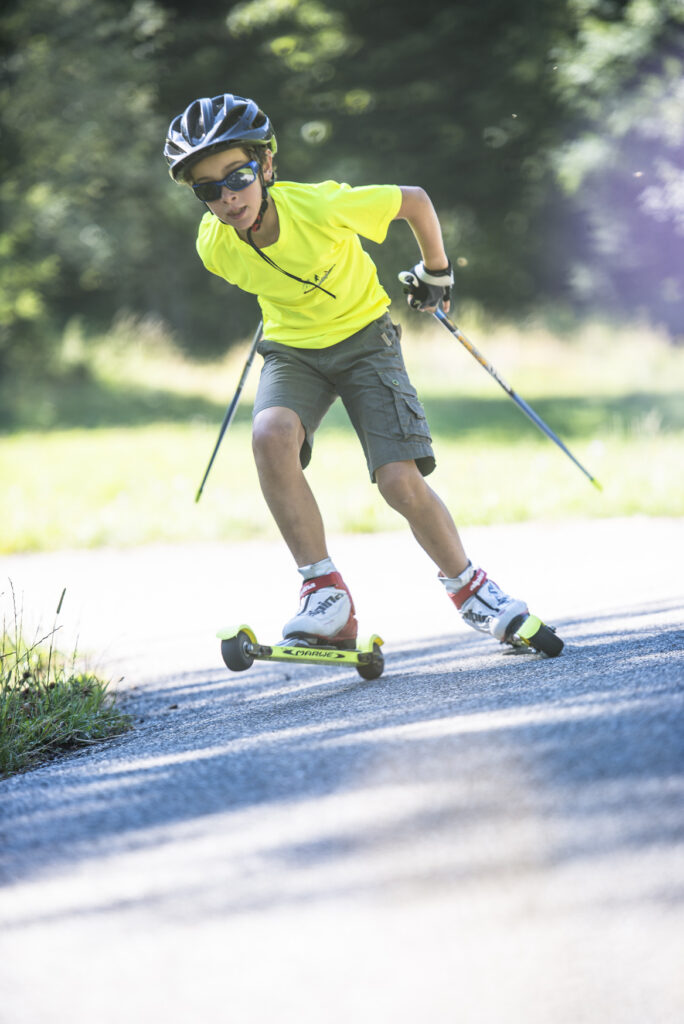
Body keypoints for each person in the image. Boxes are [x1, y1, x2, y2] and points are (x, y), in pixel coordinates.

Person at [164, 93, 532, 650]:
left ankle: (471, 589)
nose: (227, 197)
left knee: (399, 483)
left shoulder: (320, 207)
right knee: (270, 436)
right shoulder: (212, 245)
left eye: (236, 176)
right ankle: (325, 593)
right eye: (207, 189)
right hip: (293, 351)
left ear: (265, 165)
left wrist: (437, 273)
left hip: (366, 341)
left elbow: (416, 201)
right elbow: (272, 285)